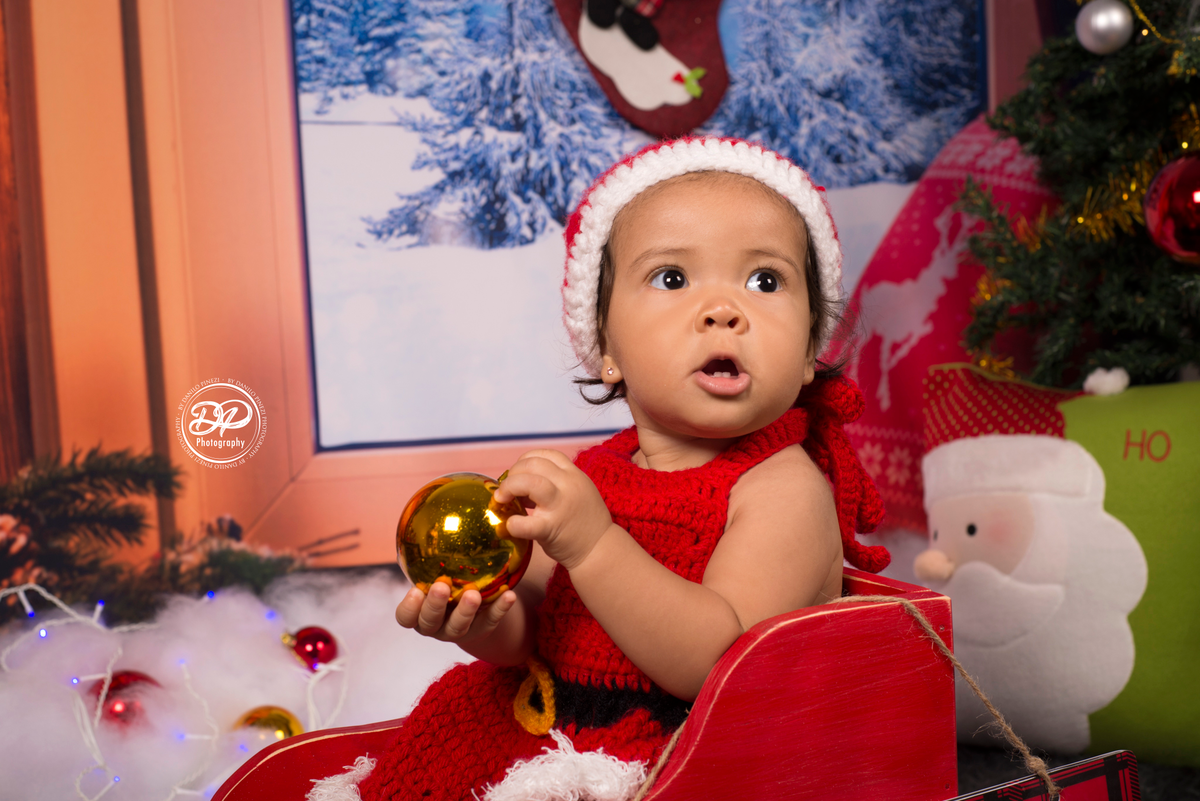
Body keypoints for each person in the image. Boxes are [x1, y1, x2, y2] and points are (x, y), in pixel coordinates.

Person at [355, 137, 889, 801]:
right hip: (553, 722)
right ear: (605, 348)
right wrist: (488, 621)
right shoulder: (596, 474)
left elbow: (714, 662)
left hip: (686, 757)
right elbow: (538, 630)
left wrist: (594, 542)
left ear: (811, 350)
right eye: (672, 278)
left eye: (765, 280)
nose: (724, 309)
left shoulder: (784, 489)